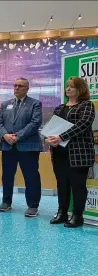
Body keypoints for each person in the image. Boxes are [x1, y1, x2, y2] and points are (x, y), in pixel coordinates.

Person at [46, 77, 95, 228]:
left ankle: (77, 216)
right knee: (62, 184)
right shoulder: (60, 108)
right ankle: (62, 213)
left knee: (78, 185)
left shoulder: (87, 105)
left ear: (80, 89)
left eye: (72, 87)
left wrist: (61, 136)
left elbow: (83, 124)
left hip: (79, 153)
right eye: (67, 86)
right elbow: (52, 126)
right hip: (59, 152)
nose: (68, 89)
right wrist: (50, 138)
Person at [0, 77, 43, 217]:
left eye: (20, 86)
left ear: (27, 88)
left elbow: (35, 123)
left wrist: (17, 136)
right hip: (8, 146)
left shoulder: (35, 104)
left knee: (31, 177)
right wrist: (5, 135)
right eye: (15, 85)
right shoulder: (5, 104)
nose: (17, 88)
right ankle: (6, 202)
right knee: (7, 176)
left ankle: (33, 206)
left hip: (28, 146)